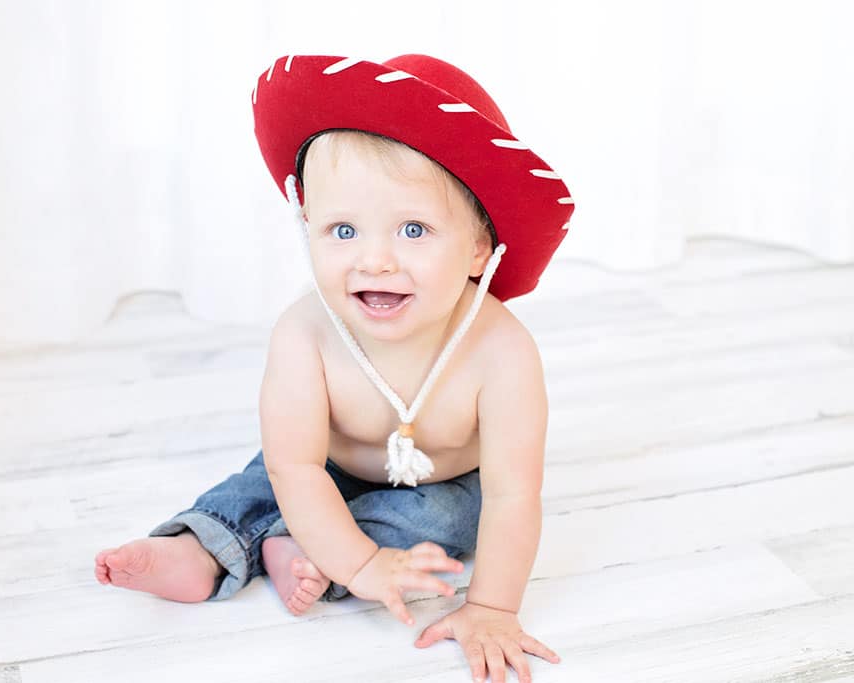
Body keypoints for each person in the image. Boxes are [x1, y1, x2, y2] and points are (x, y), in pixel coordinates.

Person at [95, 53, 574, 683]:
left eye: (413, 229)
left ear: (479, 247)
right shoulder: (306, 332)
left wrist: (490, 607)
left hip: (439, 484)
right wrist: (357, 563)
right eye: (343, 230)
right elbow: (293, 464)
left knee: (456, 517)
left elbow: (515, 493)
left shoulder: (501, 350)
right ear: (307, 228)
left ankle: (301, 550)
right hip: (320, 467)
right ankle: (200, 545)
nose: (373, 260)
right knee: (257, 482)